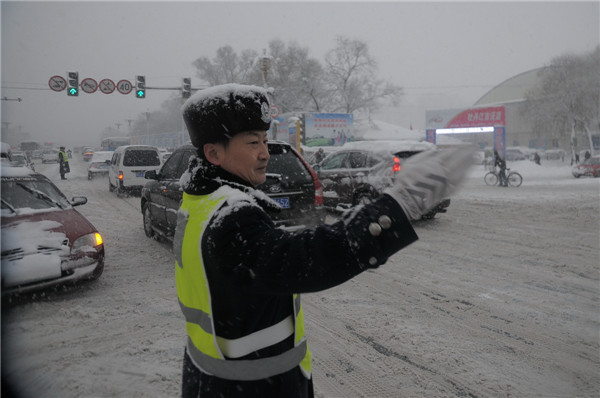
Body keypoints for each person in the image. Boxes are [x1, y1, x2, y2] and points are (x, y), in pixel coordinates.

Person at [175, 83, 473, 398]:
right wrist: (397, 207)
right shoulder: (230, 217)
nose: (265, 152)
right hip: (250, 388)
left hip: (215, 379)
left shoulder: (202, 200)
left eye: (264, 140)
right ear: (213, 152)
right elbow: (304, 259)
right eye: (252, 142)